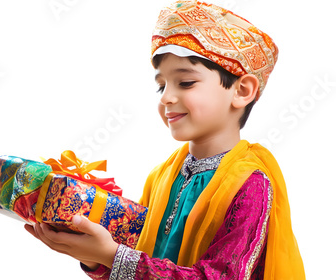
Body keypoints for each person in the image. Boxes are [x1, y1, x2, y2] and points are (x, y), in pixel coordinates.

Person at [25, 1, 305, 279]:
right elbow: (137, 259)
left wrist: (110, 254)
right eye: (162, 85)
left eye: (185, 83)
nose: (166, 98)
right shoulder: (162, 176)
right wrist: (92, 257)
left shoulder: (251, 185)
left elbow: (220, 276)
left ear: (242, 90)